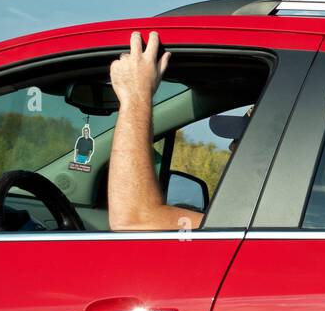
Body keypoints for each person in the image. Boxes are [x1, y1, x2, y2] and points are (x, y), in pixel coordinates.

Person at [107, 31, 250, 231]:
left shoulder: (267, 220)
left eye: (242, 139)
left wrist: (136, 96)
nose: (232, 146)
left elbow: (133, 222)